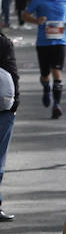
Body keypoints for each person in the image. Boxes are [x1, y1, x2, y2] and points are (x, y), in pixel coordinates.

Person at [23, 0, 66, 119]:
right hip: (43, 42)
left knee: (57, 72)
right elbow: (25, 15)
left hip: (60, 42)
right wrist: (36, 20)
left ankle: (56, 104)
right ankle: (46, 88)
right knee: (45, 74)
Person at [0, 25, 17, 221]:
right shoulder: (3, 42)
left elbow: (12, 73)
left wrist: (14, 106)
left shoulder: (3, 43)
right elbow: (13, 74)